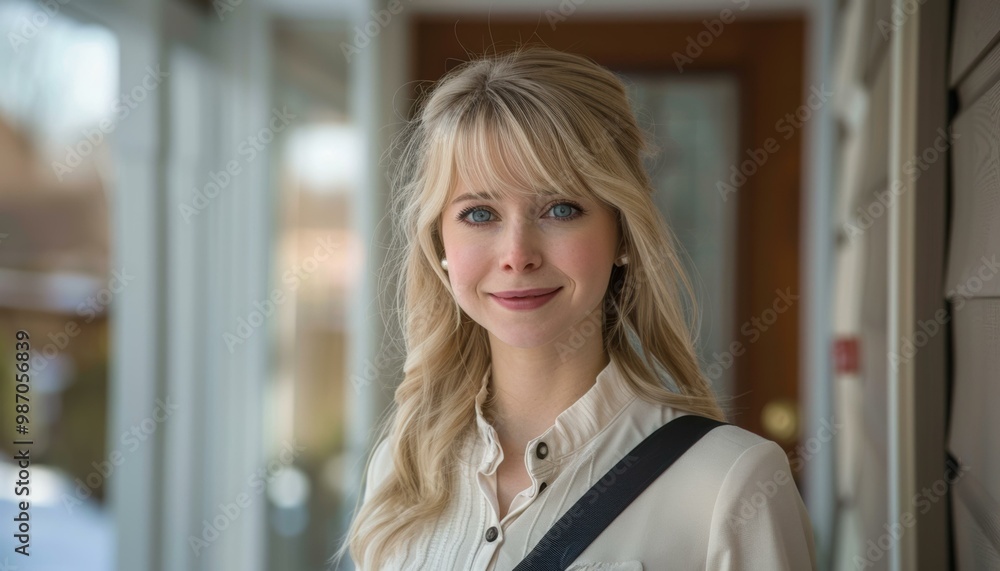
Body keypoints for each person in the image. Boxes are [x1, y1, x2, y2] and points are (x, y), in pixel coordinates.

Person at [331, 45, 816, 570]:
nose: (518, 255)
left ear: (623, 233)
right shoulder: (401, 473)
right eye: (478, 213)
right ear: (440, 245)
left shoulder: (732, 484)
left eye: (561, 208)